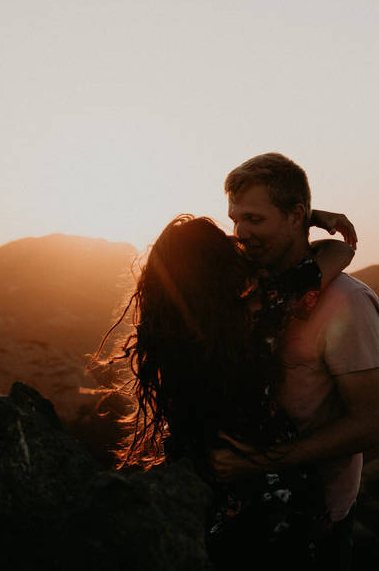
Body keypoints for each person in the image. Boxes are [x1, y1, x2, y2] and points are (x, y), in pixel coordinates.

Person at [101, 212, 357, 568]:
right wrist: (302, 217)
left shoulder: (166, 340)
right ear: (220, 265)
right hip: (278, 497)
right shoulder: (259, 312)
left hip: (212, 501)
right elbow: (339, 252)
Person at [211, 152, 379, 571]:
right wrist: (311, 217)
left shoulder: (349, 303)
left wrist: (259, 461)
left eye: (254, 219)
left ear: (293, 216)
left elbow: (368, 425)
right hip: (239, 501)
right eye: (235, 219)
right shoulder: (247, 284)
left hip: (315, 520)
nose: (240, 232)